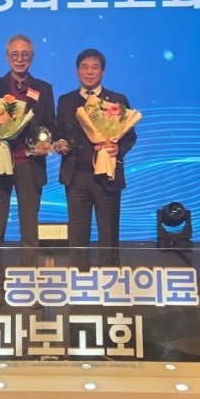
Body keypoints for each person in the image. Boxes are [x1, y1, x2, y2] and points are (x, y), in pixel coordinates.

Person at [0, 34, 55, 308]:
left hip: (29, 166)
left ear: (32, 57)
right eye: (15, 54)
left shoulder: (43, 89)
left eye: (25, 54)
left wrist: (45, 142)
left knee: (29, 232)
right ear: (8, 57)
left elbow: (50, 125)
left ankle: (26, 290)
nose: (20, 59)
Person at [55, 48, 137, 268]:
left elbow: (130, 136)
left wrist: (118, 148)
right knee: (77, 233)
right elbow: (59, 132)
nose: (89, 72)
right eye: (85, 67)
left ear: (103, 71)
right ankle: (80, 279)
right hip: (76, 176)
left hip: (106, 176)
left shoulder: (117, 100)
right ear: (77, 71)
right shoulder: (66, 100)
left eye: (94, 67)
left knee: (108, 232)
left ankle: (110, 279)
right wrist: (59, 143)